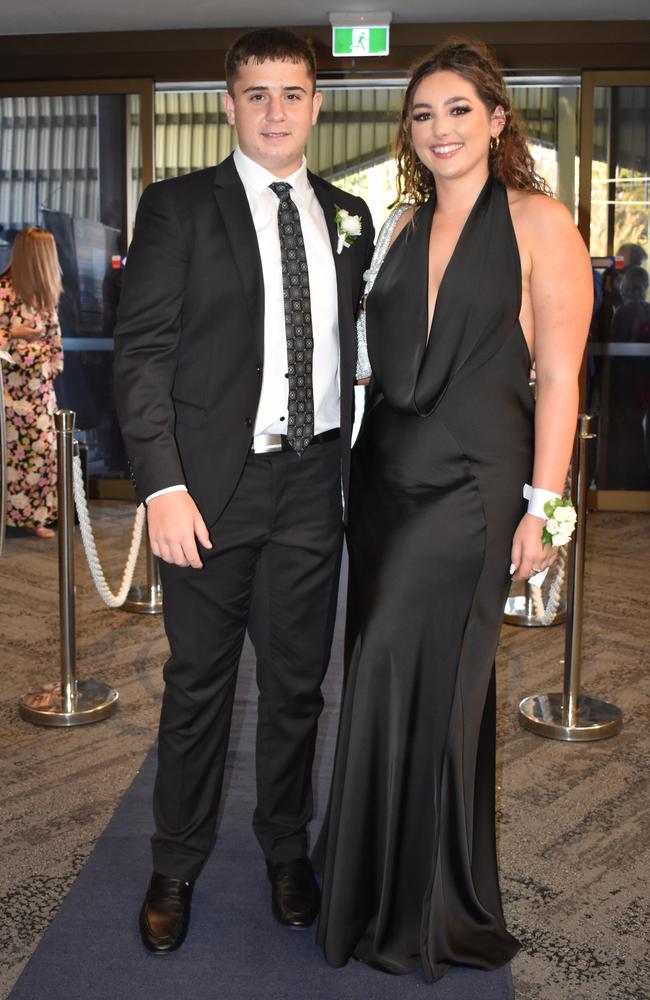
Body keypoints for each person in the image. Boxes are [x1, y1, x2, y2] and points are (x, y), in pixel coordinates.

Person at [316, 38, 593, 982]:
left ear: (497, 120)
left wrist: (545, 515)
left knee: (430, 680)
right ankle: (369, 884)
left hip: (475, 490)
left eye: (459, 111)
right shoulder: (396, 224)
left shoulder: (540, 221)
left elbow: (560, 376)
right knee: (380, 673)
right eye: (424, 114)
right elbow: (372, 358)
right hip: (382, 479)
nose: (440, 129)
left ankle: (423, 907)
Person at [113, 28, 373, 953]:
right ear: (228, 105)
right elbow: (140, 357)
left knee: (301, 687)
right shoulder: (179, 208)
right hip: (211, 490)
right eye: (256, 94)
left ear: (315, 104)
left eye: (292, 93)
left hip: (314, 480)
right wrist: (163, 487)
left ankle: (284, 850)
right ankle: (174, 862)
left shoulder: (349, 215)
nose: (274, 111)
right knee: (198, 689)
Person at [0, 227, 63, 539]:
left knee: (43, 451)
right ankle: (9, 518)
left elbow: (54, 339)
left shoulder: (45, 295)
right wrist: (15, 335)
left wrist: (52, 366)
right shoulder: (4, 289)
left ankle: (37, 516)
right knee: (10, 454)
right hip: (9, 392)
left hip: (40, 391)